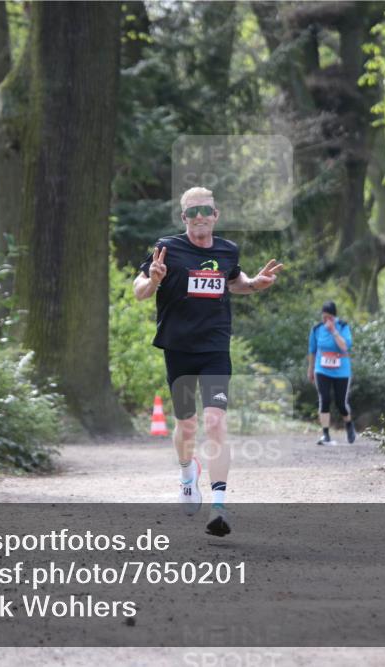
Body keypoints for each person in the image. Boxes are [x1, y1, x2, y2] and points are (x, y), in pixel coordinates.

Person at [133, 187, 283, 536]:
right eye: (191, 212)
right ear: (183, 218)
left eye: (205, 211)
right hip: (178, 348)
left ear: (216, 215)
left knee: (215, 421)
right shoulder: (166, 248)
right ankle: (188, 472)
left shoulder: (227, 250)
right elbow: (138, 290)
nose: (199, 217)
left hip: (215, 347)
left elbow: (235, 282)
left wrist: (254, 284)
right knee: (187, 425)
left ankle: (219, 505)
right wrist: (153, 281)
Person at [307, 301, 355, 445]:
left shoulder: (343, 326)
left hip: (341, 370)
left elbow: (345, 347)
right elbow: (312, 350)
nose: (326, 320)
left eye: (329, 317)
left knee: (341, 403)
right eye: (324, 317)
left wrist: (334, 331)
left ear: (334, 317)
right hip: (321, 369)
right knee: (324, 399)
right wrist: (310, 369)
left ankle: (349, 424)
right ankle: (326, 434)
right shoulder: (317, 329)